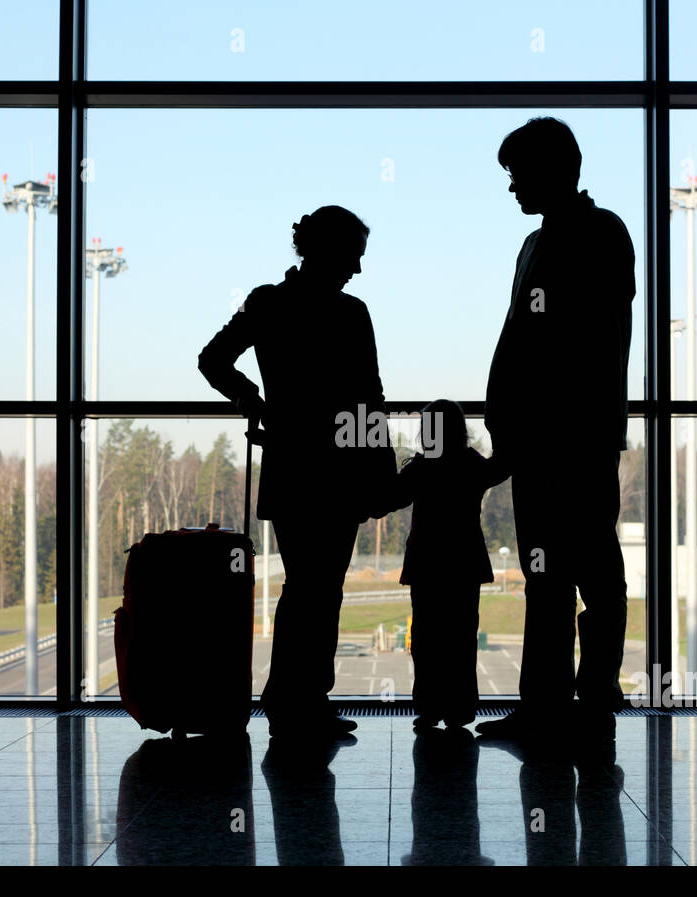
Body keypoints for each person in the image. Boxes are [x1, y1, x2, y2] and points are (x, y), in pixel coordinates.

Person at [198, 205, 396, 738]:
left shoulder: (267, 304)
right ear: (330, 251)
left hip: (291, 467)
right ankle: (301, 698)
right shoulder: (352, 314)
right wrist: (382, 469)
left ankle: (293, 699)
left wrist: (255, 403)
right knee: (320, 588)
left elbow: (213, 359)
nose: (356, 268)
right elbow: (369, 400)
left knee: (305, 586)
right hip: (340, 472)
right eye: (354, 255)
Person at [477, 117, 635, 744]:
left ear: (551, 170)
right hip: (539, 438)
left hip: (575, 436)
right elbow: (524, 337)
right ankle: (548, 704)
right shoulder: (538, 244)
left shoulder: (599, 234)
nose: (512, 187)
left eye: (517, 174)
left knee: (592, 572)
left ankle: (592, 696)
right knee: (548, 576)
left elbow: (571, 342)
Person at [385, 399, 508, 729]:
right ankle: (460, 707)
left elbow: (391, 497)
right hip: (463, 562)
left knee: (426, 638)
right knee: (461, 638)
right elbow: (501, 466)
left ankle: (429, 705)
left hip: (427, 562)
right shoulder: (471, 464)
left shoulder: (421, 468)